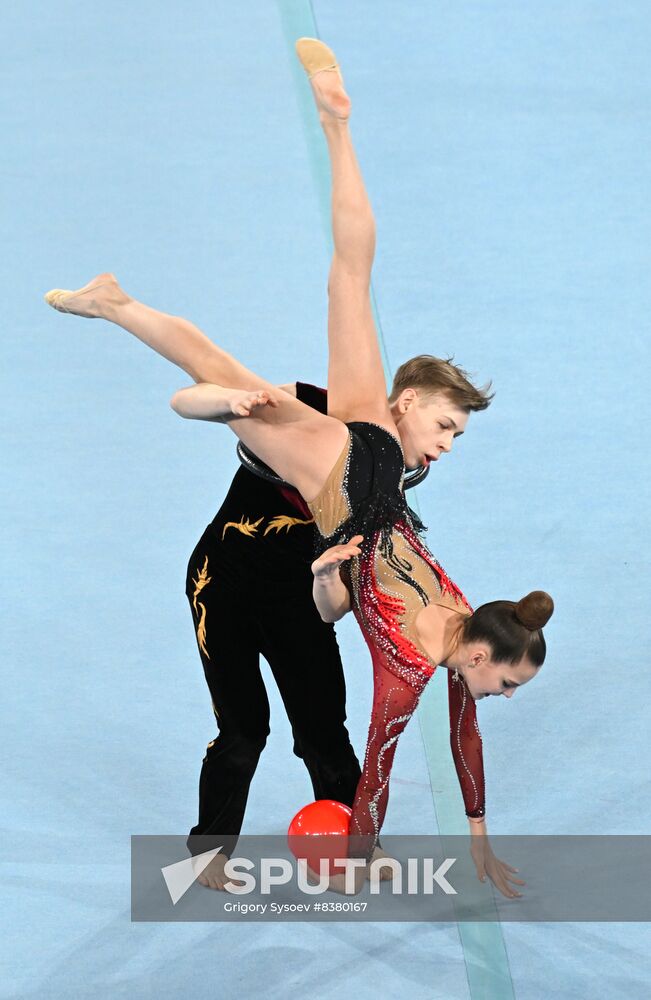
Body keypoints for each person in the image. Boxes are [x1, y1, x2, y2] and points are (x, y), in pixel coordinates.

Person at [44, 38, 552, 896]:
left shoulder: (453, 608)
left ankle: (329, 132)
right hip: (338, 486)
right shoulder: (422, 635)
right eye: (447, 423)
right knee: (228, 380)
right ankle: (174, 361)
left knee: (345, 284)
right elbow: (384, 740)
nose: (450, 441)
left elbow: (336, 604)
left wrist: (327, 576)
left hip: (354, 485)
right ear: (411, 398)